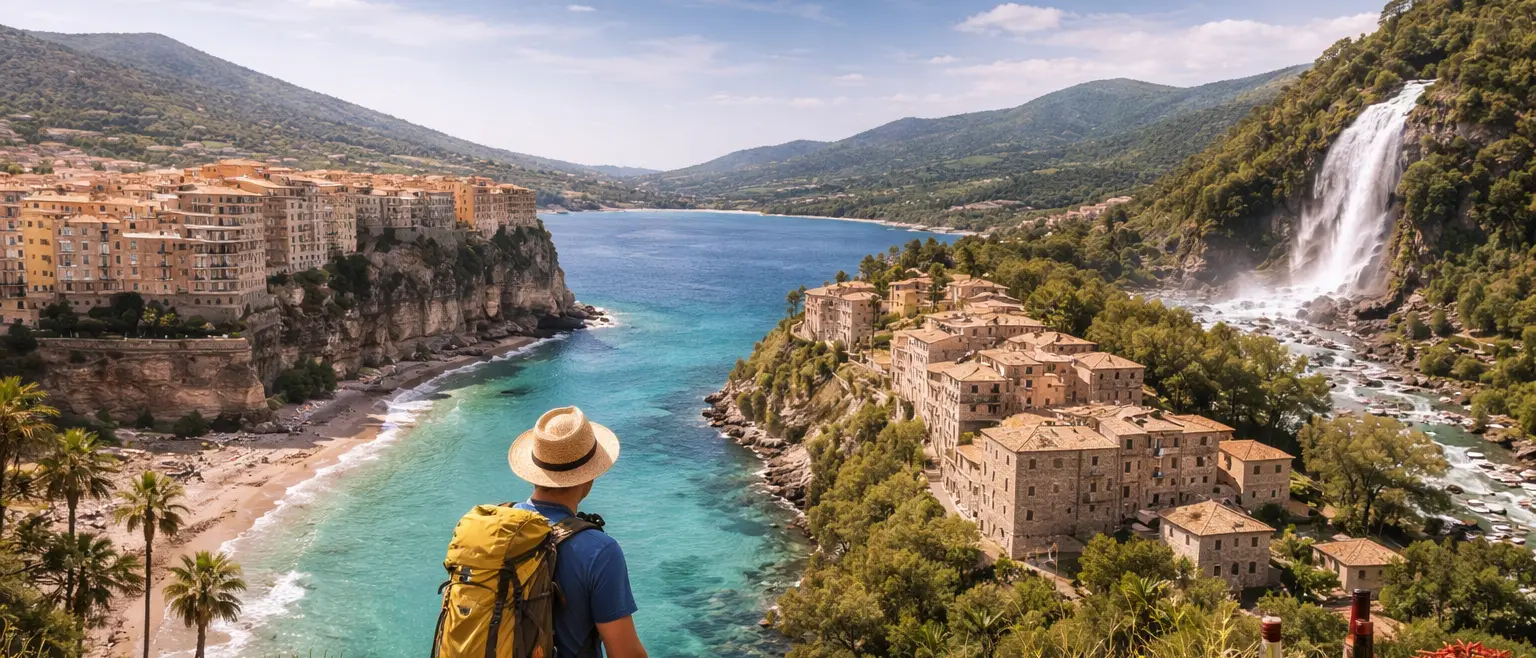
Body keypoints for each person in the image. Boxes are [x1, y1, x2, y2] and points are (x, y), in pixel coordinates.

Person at [508, 406, 648, 658]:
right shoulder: (600, 551)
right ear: (589, 477)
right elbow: (626, 653)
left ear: (534, 472)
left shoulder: (493, 528)